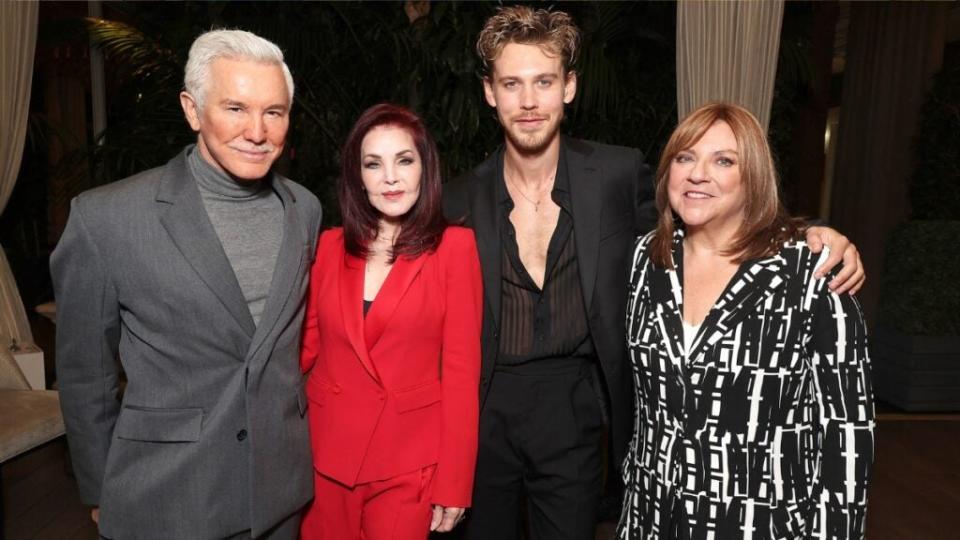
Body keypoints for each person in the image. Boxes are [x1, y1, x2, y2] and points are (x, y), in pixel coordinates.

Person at [441, 6, 866, 540]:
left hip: (575, 411)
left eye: (544, 81)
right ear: (489, 92)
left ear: (569, 87)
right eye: (512, 84)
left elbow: (696, 220)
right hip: (485, 412)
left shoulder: (616, 175)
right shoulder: (458, 196)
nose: (528, 101)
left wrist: (813, 233)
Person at [50, 30, 320, 539]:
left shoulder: (304, 209)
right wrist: (99, 488)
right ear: (193, 110)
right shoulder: (106, 217)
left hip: (278, 491)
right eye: (235, 108)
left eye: (274, 112)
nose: (257, 131)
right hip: (165, 496)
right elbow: (85, 374)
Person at [619, 102, 875, 539]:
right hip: (653, 514)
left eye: (723, 160)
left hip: (761, 521)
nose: (698, 174)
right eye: (685, 157)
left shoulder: (809, 271)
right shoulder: (648, 257)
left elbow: (847, 430)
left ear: (752, 177)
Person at [299, 103, 482, 540]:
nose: (391, 177)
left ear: (425, 168)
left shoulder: (454, 248)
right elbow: (303, 352)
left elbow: (461, 373)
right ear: (357, 177)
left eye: (404, 160)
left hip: (408, 464)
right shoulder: (327, 247)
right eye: (373, 164)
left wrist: (454, 482)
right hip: (324, 457)